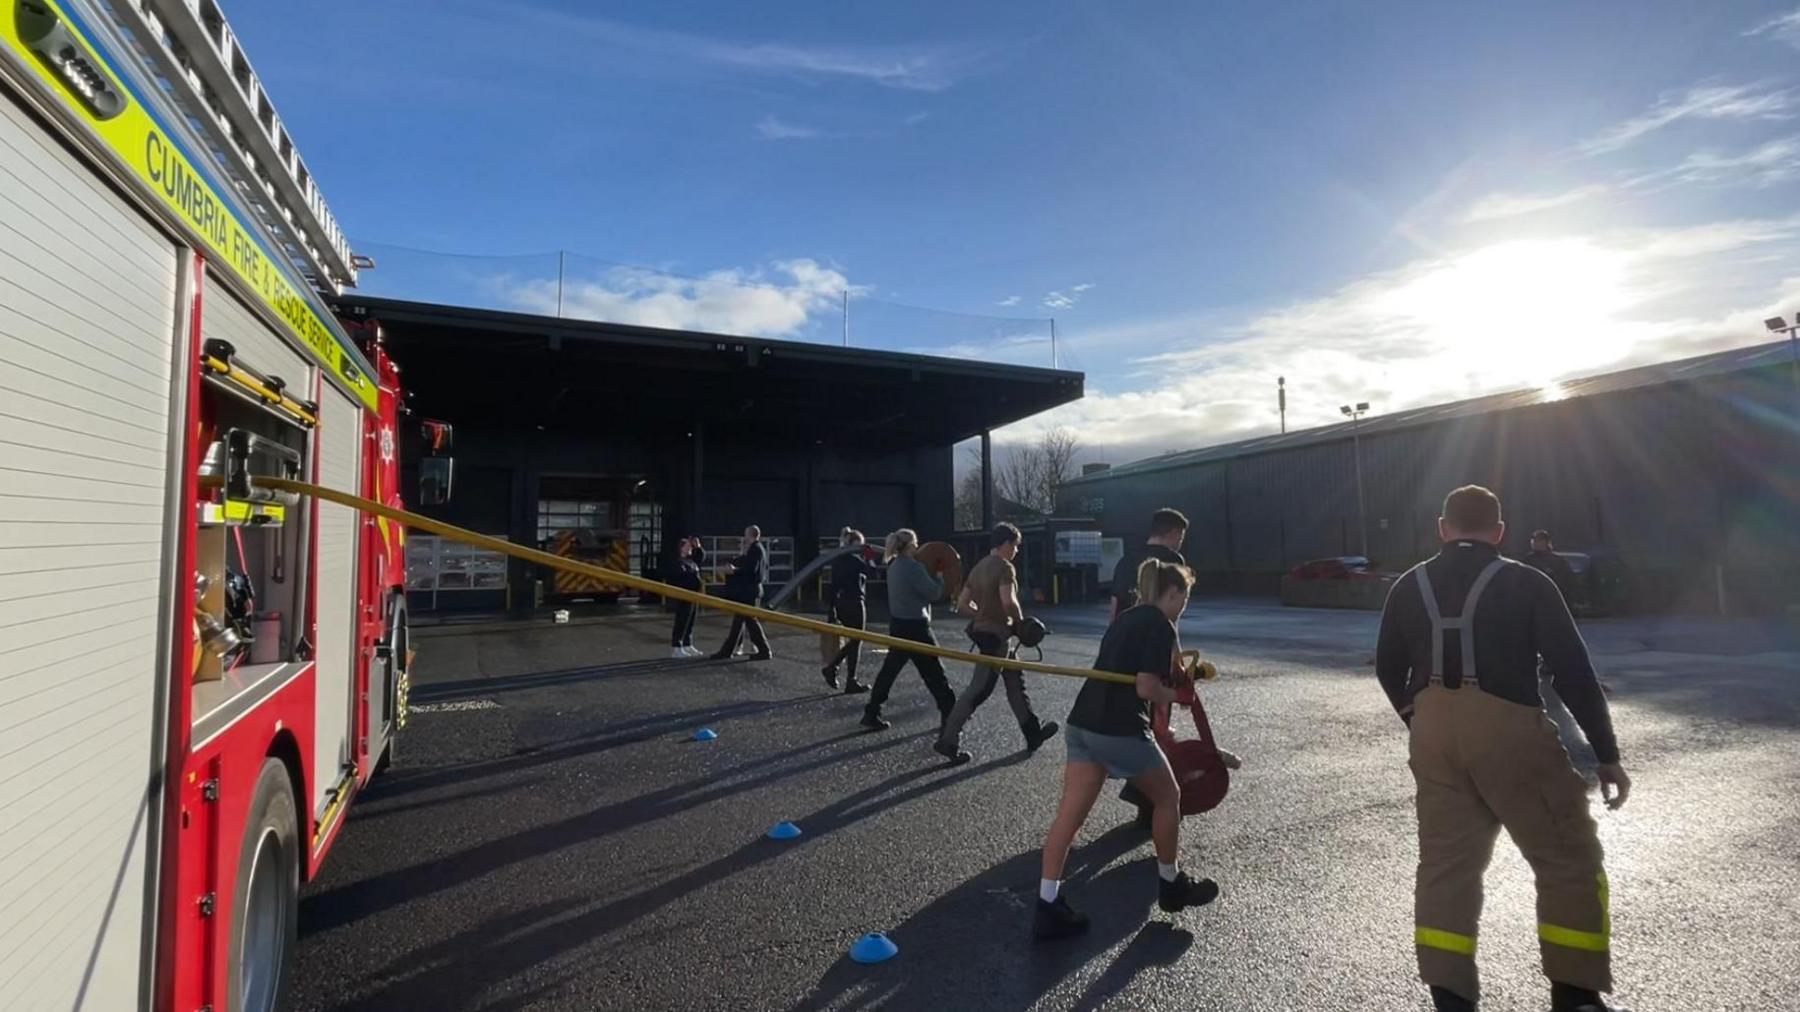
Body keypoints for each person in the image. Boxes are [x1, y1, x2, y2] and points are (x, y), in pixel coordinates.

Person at [1376, 485, 1631, 1012]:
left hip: (1433, 733)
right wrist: (1606, 753)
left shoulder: (1408, 585)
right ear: (1499, 532)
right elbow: (1574, 673)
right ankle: (1574, 993)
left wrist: (1414, 716)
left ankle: (1450, 995)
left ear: (1442, 528)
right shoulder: (1527, 582)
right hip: (1509, 728)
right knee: (1567, 857)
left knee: (1447, 866)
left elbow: (1387, 665)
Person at [1033, 558, 1221, 940]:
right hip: (1119, 728)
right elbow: (1146, 687)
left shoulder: (1128, 618)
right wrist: (1179, 695)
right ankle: (1171, 883)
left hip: (1083, 724)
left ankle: (1047, 903)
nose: (1184, 607)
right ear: (1173, 593)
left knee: (1068, 819)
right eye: (1184, 599)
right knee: (1169, 798)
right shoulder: (1158, 623)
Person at [935, 523, 1059, 765]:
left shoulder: (978, 567)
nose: (1016, 551)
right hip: (997, 637)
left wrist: (980, 615)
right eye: (1015, 546)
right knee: (978, 690)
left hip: (985, 634)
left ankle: (1033, 733)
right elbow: (1008, 601)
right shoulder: (1004, 567)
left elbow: (962, 605)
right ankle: (948, 741)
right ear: (1006, 544)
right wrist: (1021, 623)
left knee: (1015, 683)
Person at [860, 529, 958, 733]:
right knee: (935, 672)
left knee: (889, 671)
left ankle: (872, 711)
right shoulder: (913, 568)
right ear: (911, 545)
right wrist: (939, 575)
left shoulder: (894, 566)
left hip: (898, 624)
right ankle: (951, 714)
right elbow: (934, 593)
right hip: (917, 626)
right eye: (916, 544)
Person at [823, 527, 879, 693]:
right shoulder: (855, 561)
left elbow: (833, 587)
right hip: (854, 603)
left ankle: (849, 679)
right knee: (857, 640)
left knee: (854, 641)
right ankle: (834, 669)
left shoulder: (838, 560)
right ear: (854, 544)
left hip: (841, 604)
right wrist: (869, 557)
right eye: (860, 544)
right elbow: (873, 573)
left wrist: (831, 609)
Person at [1112, 507, 1190, 618]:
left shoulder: (1126, 560)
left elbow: (1116, 601)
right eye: (1181, 538)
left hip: (1126, 627)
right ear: (1173, 533)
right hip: (1156, 625)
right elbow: (1176, 600)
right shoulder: (1174, 561)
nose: (1180, 543)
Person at [711, 525, 773, 661]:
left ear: (750, 535)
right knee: (739, 621)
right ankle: (728, 650)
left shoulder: (755, 549)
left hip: (749, 591)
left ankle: (764, 650)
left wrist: (733, 571)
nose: (744, 537)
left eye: (745, 534)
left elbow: (750, 570)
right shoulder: (758, 549)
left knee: (750, 621)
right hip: (751, 590)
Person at [668, 536, 706, 658]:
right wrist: (694, 580)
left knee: (691, 620)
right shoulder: (678, 562)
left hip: (693, 595)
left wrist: (698, 546)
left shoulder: (691, 560)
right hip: (684, 595)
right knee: (681, 621)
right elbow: (681, 578)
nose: (690, 547)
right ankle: (677, 647)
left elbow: (701, 557)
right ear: (681, 548)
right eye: (687, 546)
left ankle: (687, 644)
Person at [1523, 529, 1578, 606]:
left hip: (1555, 597)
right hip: (1534, 598)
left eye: (1538, 540)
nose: (1535, 543)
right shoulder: (1528, 560)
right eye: (1534, 540)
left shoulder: (1557, 560)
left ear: (1546, 542)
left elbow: (1567, 580)